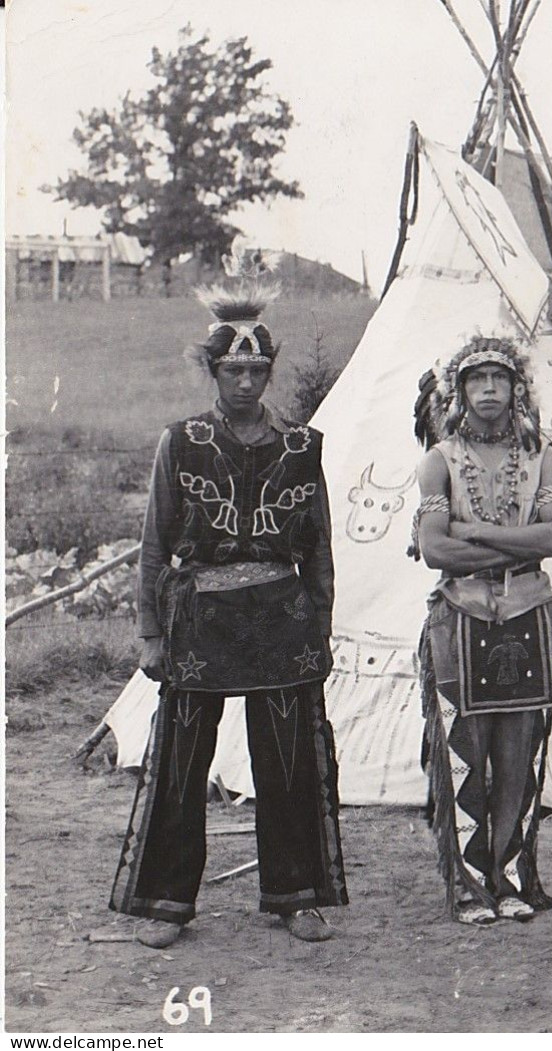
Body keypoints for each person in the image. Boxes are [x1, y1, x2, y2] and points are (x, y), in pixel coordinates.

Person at [112, 279, 347, 949]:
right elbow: (155, 544)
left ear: (269, 371)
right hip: (199, 621)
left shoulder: (302, 446)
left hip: (281, 616)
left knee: (287, 760)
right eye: (231, 368)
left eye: (255, 368)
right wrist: (150, 631)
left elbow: (319, 546)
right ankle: (167, 900)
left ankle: (295, 894)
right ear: (211, 370)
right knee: (184, 761)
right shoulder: (180, 443)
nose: (244, 381)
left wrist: (322, 624)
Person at [411, 335, 552, 925]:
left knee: (518, 752)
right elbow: (434, 550)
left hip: (529, 612)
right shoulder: (439, 460)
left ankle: (505, 875)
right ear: (459, 391)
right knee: (464, 752)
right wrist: (513, 542)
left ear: (516, 389)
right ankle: (464, 883)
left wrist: (475, 534)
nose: (488, 391)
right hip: (459, 616)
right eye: (476, 380)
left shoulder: (542, 458)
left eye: (498, 380)